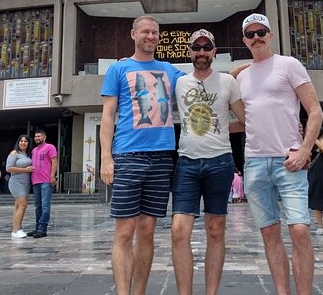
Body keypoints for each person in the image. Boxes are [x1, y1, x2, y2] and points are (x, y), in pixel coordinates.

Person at [234, 13, 323, 295]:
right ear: (244, 40)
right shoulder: (243, 77)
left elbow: (315, 111)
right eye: (250, 34)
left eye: (262, 32)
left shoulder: (289, 65)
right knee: (269, 233)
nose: (256, 37)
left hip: (289, 160)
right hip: (256, 163)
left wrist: (305, 149)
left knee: (299, 230)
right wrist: (238, 70)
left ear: (270, 35)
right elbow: (245, 119)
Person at [100, 15, 185, 295]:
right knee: (124, 232)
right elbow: (108, 115)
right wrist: (106, 158)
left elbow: (201, 82)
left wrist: (242, 71)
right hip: (128, 156)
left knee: (147, 231)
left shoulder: (169, 70)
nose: (151, 36)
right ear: (133, 34)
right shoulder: (118, 69)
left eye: (155, 32)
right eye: (145, 31)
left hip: (162, 159)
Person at [171, 29, 245, 295]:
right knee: (179, 230)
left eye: (206, 48)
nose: (201, 53)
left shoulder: (227, 82)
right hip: (187, 163)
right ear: (189, 51)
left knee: (215, 230)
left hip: (220, 162)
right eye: (196, 48)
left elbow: (245, 119)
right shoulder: (178, 83)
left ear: (214, 51)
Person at [27, 129, 57, 238]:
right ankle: (37, 228)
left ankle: (42, 229)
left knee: (45, 205)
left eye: (39, 136)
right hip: (35, 181)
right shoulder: (34, 150)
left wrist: (52, 176)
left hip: (46, 181)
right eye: (35, 137)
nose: (37, 138)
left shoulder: (50, 147)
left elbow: (54, 161)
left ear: (44, 137)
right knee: (38, 206)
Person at [6, 134, 34, 239]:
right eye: (21, 141)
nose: (23, 143)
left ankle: (16, 229)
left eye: (25, 141)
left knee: (18, 206)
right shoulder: (14, 153)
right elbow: (9, 168)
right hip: (16, 182)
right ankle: (16, 229)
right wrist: (25, 170)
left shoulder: (27, 155)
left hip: (26, 183)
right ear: (18, 143)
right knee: (23, 205)